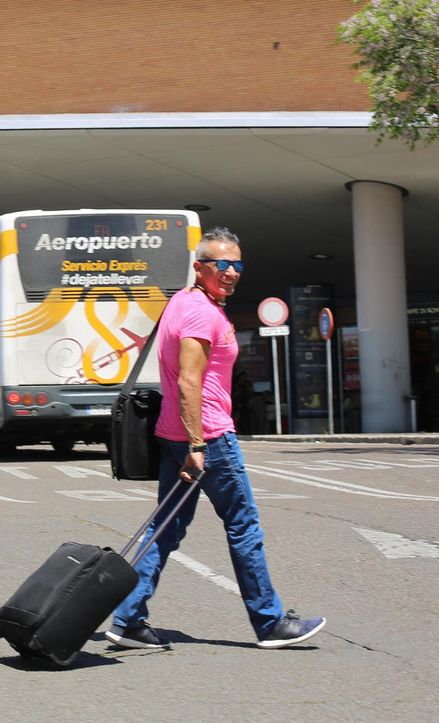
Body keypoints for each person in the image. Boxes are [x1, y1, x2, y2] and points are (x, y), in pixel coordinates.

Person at [108, 226, 326, 650]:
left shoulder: (185, 301)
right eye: (220, 264)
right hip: (205, 437)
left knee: (165, 529)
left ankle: (128, 619)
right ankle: (270, 622)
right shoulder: (200, 314)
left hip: (175, 432)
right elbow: (189, 381)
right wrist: (197, 446)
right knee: (243, 525)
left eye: (236, 264)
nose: (230, 272)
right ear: (199, 266)